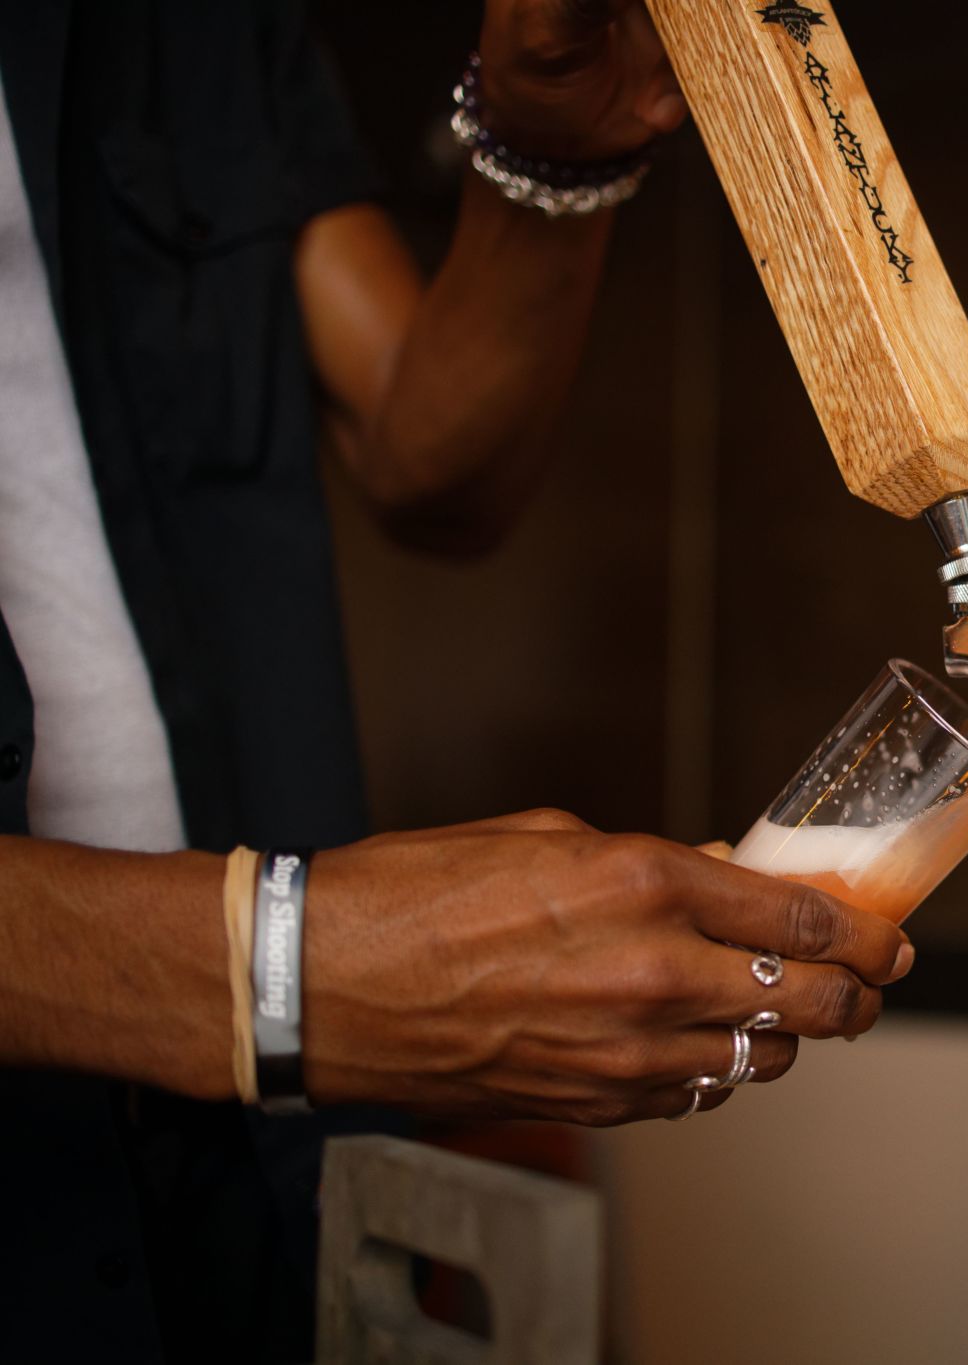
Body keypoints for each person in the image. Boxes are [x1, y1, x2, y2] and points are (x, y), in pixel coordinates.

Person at [0, 3, 914, 1360]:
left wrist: (556, 149)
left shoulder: (179, 34)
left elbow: (422, 448)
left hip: (241, 1178)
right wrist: (294, 972)